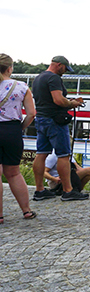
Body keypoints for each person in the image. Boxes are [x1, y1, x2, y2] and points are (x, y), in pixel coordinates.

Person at [30, 55, 88, 201]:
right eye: (64, 69)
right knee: (63, 154)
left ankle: (39, 190)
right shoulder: (54, 78)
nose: (65, 72)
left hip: (41, 118)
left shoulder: (38, 78)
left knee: (41, 153)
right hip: (55, 121)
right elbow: (57, 99)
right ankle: (68, 191)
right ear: (58, 65)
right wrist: (71, 104)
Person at [0, 53, 38, 222]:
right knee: (14, 173)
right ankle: (26, 210)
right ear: (9, 68)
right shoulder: (21, 87)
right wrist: (19, 128)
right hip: (12, 131)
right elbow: (31, 114)